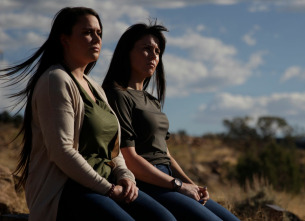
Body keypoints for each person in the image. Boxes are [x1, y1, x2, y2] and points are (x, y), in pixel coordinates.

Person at [0, 7, 176, 221]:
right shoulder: (55, 80)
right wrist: (108, 189)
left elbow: (114, 150)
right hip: (67, 189)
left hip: (107, 183)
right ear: (65, 40)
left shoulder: (95, 86)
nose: (96, 39)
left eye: (99, 33)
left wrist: (126, 177)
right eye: (87, 33)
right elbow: (62, 151)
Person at [102, 21, 240, 221]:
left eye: (157, 51)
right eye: (146, 49)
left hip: (167, 177)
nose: (153, 56)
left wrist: (191, 184)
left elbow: (164, 152)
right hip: (147, 180)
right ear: (127, 52)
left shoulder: (152, 101)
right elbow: (129, 158)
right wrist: (178, 186)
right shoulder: (118, 95)